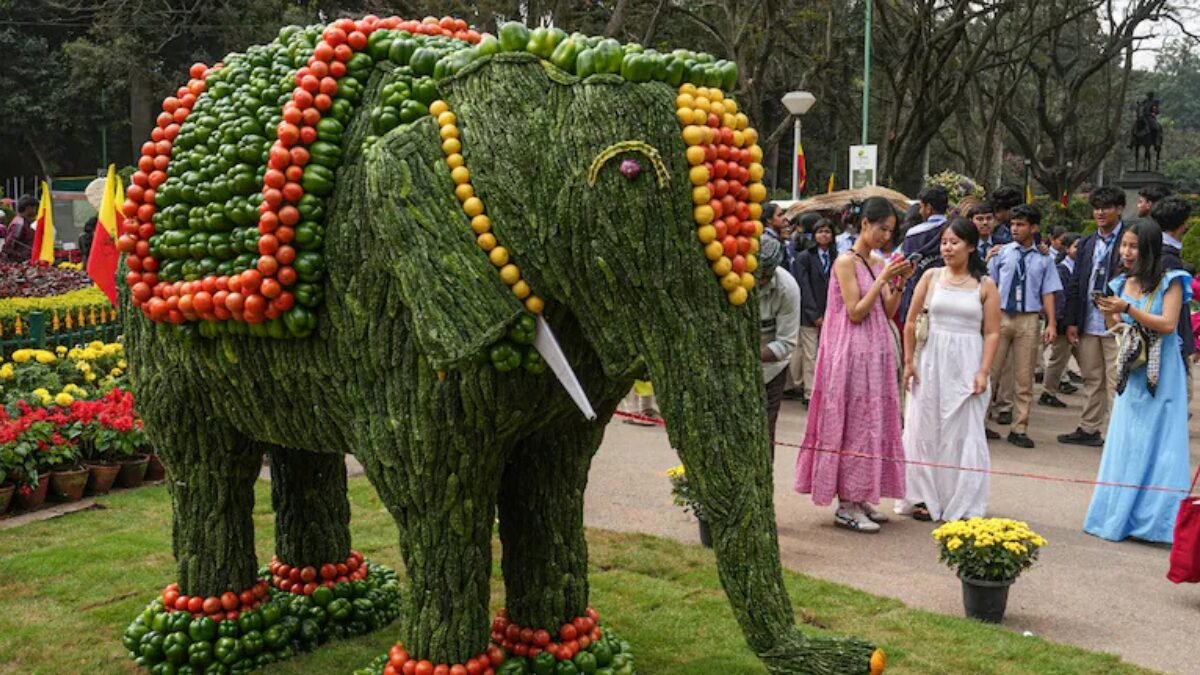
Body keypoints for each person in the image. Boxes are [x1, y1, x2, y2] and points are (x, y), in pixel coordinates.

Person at [794, 196, 913, 533]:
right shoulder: (846, 262)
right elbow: (855, 311)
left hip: (875, 351)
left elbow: (886, 311)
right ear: (864, 224)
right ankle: (846, 503)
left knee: (872, 421)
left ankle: (861, 495)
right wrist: (882, 278)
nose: (885, 236)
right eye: (881, 228)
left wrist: (899, 281)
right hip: (848, 351)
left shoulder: (877, 261)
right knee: (852, 423)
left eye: (890, 231)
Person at [1084, 220, 1193, 543]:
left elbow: (1169, 324)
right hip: (1132, 367)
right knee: (1127, 439)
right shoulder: (1120, 282)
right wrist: (1108, 311)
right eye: (1124, 245)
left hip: (1165, 370)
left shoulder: (1170, 281)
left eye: (1133, 246)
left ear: (1147, 249)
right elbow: (1115, 324)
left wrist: (1127, 307)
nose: (1126, 252)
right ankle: (1117, 515)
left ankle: (1158, 522)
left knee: (1162, 441)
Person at [898, 218, 1001, 521]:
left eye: (954, 242)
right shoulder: (930, 276)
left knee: (964, 431)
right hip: (930, 360)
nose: (947, 248)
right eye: (944, 242)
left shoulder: (985, 284)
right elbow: (910, 321)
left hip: (968, 361)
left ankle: (963, 500)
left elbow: (993, 332)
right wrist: (908, 362)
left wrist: (983, 371)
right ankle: (921, 497)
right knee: (923, 427)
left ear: (971, 246)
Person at [984, 205, 1060, 446]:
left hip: (1028, 319)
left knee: (1024, 378)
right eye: (1013, 224)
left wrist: (1051, 323)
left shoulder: (1044, 258)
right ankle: (980, 424)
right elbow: (989, 286)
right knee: (990, 373)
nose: (1015, 229)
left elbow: (1048, 292)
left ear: (1034, 228)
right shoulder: (1002, 253)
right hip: (1001, 316)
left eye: (1021, 225)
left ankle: (1019, 428)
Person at [1059, 186, 1127, 447]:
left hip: (1115, 322)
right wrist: (1072, 322)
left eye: (1106, 207)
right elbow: (1076, 283)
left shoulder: (1129, 239)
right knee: (1091, 377)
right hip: (1088, 320)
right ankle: (1089, 428)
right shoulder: (1087, 242)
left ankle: (1116, 434)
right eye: (1096, 207)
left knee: (1115, 379)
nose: (1100, 212)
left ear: (1119, 209)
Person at [758, 235, 800, 455]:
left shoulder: (787, 288)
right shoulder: (729, 277)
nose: (759, 280)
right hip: (731, 366)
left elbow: (786, 343)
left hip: (771, 370)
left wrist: (748, 357)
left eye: (764, 276)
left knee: (764, 429)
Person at [1151, 196, 1195, 402]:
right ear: (1184, 223)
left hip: (1154, 334)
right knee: (1175, 399)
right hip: (1168, 340)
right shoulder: (1169, 259)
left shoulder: (1151, 252)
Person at [789, 218, 835, 406]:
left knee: (826, 353)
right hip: (809, 313)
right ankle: (809, 393)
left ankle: (820, 388)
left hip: (831, 311)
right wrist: (814, 314)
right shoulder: (805, 257)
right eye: (820, 231)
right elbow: (804, 287)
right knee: (810, 354)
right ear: (814, 235)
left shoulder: (837, 256)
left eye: (827, 231)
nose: (824, 235)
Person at [898, 186, 951, 322]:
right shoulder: (957, 230)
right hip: (949, 296)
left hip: (919, 299)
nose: (920, 211)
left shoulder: (914, 235)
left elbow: (906, 267)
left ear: (929, 208)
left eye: (921, 207)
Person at [1041, 233, 1082, 407]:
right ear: (1067, 249)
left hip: (1075, 323)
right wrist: (1056, 322)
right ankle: (1048, 391)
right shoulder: (1062, 270)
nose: (1079, 251)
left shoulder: (1078, 268)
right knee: (1058, 359)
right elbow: (1060, 299)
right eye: (1076, 247)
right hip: (1063, 322)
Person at [1, 196, 38, 262]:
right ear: (28, 208)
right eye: (34, 207)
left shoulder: (24, 222)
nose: (35, 210)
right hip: (18, 262)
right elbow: (9, 245)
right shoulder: (19, 224)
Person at [762, 203, 794, 273]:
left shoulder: (777, 239)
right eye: (780, 215)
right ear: (769, 220)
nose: (784, 218)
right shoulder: (767, 240)